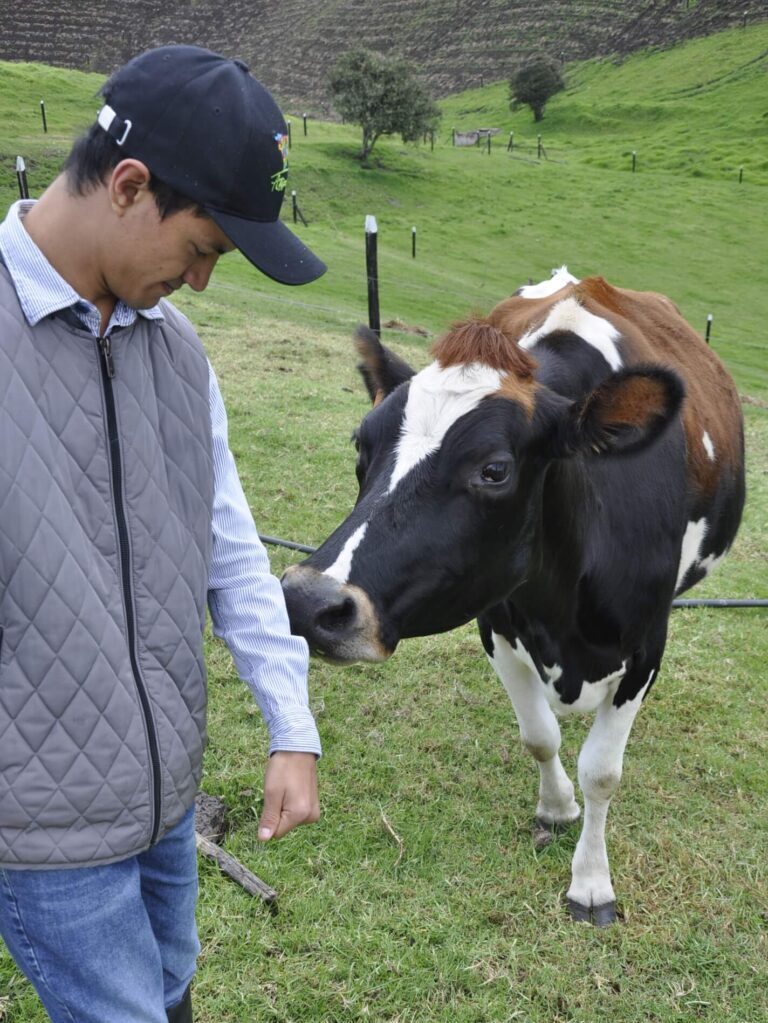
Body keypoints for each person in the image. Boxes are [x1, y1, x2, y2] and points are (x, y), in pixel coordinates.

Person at [0, 44, 326, 1023]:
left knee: (172, 992)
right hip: (43, 825)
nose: (204, 283)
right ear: (130, 186)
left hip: (164, 795)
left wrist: (291, 724)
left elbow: (229, 547)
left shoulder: (177, 354)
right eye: (203, 251)